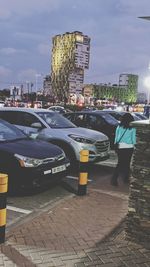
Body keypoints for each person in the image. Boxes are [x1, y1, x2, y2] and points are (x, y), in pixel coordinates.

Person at [111, 113, 136, 186]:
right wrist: (135, 147)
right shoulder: (132, 128)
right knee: (127, 163)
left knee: (120, 163)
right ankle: (126, 179)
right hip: (129, 147)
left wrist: (116, 145)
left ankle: (114, 179)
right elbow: (133, 139)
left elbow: (116, 137)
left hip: (120, 147)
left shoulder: (119, 126)